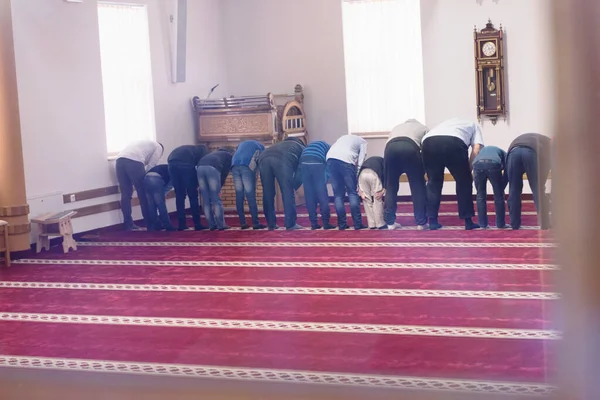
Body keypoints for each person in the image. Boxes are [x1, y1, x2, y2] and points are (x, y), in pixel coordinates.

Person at [422, 118, 484, 230]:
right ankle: (468, 221)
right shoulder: (473, 125)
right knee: (464, 181)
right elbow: (477, 148)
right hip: (453, 142)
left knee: (433, 182)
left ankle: (432, 221)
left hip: (428, 142)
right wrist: (468, 170)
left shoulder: (443, 124)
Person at [384, 119, 429, 230]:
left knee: (391, 187)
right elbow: (426, 148)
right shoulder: (424, 128)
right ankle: (421, 223)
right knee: (417, 187)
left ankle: (390, 223)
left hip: (390, 148)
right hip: (410, 147)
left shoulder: (397, 126)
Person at [506, 133, 552, 230]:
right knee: (538, 190)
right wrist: (541, 183)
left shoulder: (538, 138)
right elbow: (548, 165)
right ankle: (544, 224)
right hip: (531, 152)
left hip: (513, 152)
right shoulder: (550, 144)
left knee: (514, 190)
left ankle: (514, 224)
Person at [258, 137, 305, 231]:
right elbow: (301, 169)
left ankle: (271, 224)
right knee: (287, 191)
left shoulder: (278, 144)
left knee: (268, 193)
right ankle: (290, 223)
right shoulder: (301, 147)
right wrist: (296, 184)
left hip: (263, 157)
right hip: (282, 159)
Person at [115, 140, 164, 231]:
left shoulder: (144, 144)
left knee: (126, 194)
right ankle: (151, 224)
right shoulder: (159, 147)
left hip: (119, 160)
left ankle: (128, 224)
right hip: (134, 161)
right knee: (143, 194)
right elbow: (151, 165)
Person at [326, 135, 368, 230]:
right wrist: (357, 174)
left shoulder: (343, 137)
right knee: (352, 193)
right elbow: (361, 159)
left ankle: (342, 224)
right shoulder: (363, 142)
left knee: (338, 195)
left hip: (330, 159)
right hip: (346, 160)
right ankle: (357, 224)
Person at [167, 144, 208, 231]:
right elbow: (202, 165)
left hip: (171, 165)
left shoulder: (187, 148)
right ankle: (197, 224)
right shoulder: (203, 149)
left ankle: (181, 225)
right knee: (193, 196)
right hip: (186, 166)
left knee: (179, 196)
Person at [300, 140, 335, 230]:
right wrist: (326, 178)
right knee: (322, 194)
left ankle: (313, 223)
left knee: (309, 195)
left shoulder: (312, 145)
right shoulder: (330, 149)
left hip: (303, 162)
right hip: (317, 163)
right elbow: (329, 165)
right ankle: (326, 223)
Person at [231, 140, 266, 230]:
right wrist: (256, 175)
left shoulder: (241, 144)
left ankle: (242, 223)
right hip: (246, 166)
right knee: (250, 195)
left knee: (239, 195)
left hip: (234, 166)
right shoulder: (261, 147)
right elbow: (259, 162)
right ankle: (255, 223)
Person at [196, 148, 233, 231]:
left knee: (205, 200)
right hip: (212, 168)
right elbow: (225, 172)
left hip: (199, 168)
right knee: (216, 199)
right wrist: (220, 187)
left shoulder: (212, 154)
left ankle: (211, 225)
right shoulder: (229, 155)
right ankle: (221, 225)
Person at [473, 145, 508, 229]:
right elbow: (507, 171)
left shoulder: (484, 151)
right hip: (493, 164)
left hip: (477, 164)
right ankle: (500, 224)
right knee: (498, 196)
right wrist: (501, 187)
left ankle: (482, 224)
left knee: (480, 195)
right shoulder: (505, 155)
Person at [144, 164, 176, 231]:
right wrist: (161, 196)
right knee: (160, 204)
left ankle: (155, 225)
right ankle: (167, 225)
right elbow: (168, 187)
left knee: (151, 204)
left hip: (146, 178)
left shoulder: (167, 167)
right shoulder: (175, 173)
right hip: (156, 178)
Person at [358, 156, 386, 229]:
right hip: (374, 173)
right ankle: (380, 224)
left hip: (362, 174)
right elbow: (388, 178)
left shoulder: (375, 160)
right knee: (377, 197)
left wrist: (359, 189)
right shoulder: (385, 163)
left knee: (366, 199)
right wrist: (383, 190)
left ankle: (372, 224)